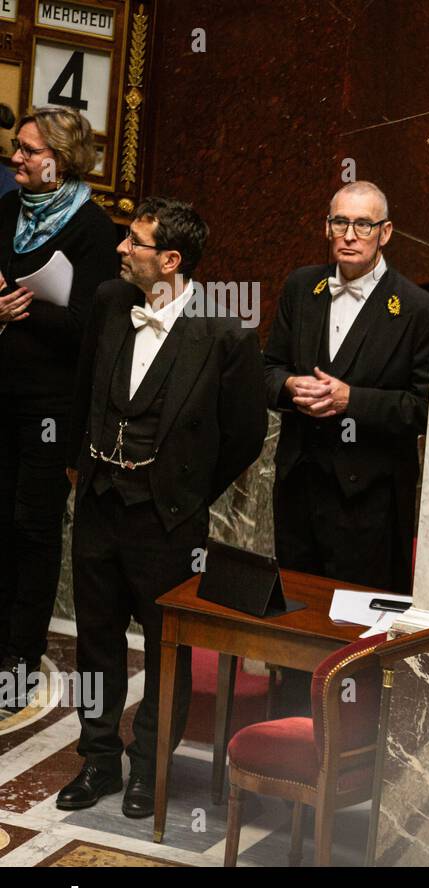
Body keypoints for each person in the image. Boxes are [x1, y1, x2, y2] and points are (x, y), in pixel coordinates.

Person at [57, 197, 266, 818]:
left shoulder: (225, 331)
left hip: (168, 521)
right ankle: (98, 759)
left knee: (165, 644)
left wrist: (186, 489)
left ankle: (149, 767)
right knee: (95, 642)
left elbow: (246, 434)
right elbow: (82, 389)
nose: (121, 249)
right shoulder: (109, 303)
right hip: (98, 503)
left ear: (170, 260)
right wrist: (81, 468)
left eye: (135, 242)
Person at [0, 107, 117, 716]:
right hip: (0, 395)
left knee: (32, 529)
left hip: (49, 410)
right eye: (16, 148)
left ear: (60, 161)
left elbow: (88, 327)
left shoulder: (95, 232)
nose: (15, 158)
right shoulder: (4, 212)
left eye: (27, 150)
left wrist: (23, 309)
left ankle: (19, 659)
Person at [263, 181, 429, 594]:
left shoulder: (416, 308)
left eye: (363, 225)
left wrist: (351, 401)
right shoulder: (301, 287)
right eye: (340, 223)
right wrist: (289, 387)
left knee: (352, 629)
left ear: (385, 232)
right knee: (294, 614)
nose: (350, 235)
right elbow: (267, 369)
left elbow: (425, 407)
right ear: (327, 228)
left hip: (369, 501)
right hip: (298, 488)